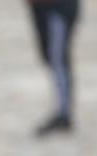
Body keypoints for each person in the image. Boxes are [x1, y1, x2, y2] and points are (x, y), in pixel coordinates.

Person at [27, 0, 80, 136]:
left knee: (58, 57)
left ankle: (64, 113)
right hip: (39, 8)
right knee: (51, 57)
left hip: (59, 7)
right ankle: (63, 110)